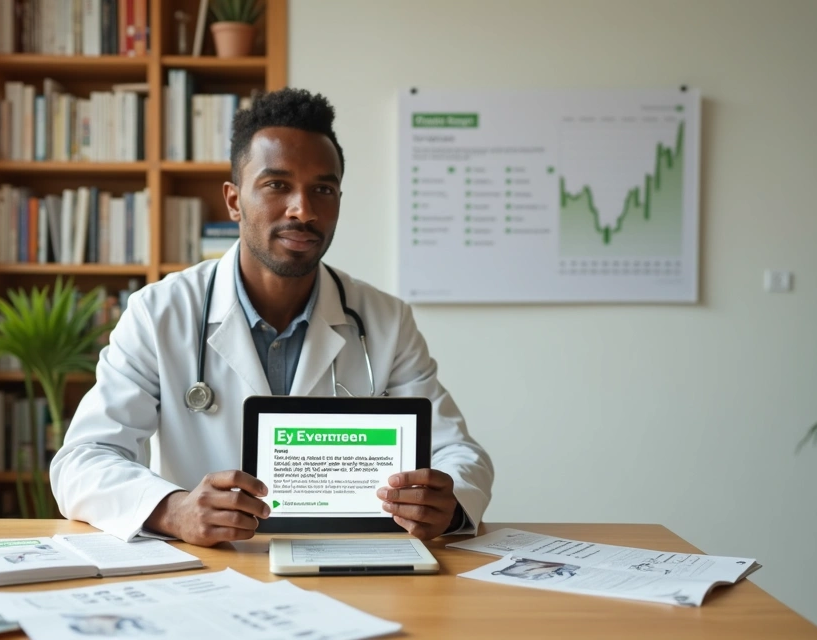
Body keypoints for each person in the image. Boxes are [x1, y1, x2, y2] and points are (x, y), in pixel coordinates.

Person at [50, 88, 493, 545]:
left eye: (322, 189)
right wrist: (173, 509)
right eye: (277, 185)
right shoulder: (160, 313)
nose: (303, 209)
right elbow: (83, 460)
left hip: (346, 564)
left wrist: (448, 502)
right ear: (234, 201)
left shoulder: (384, 319)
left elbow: (457, 451)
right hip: (212, 569)